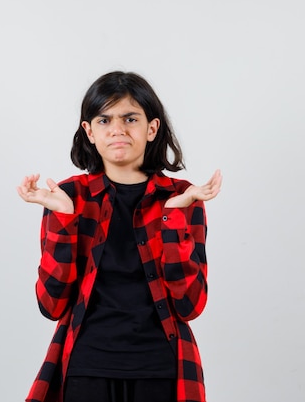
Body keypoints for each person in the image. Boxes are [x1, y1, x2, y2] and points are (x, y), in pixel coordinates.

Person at [17, 71, 221, 402]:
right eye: (104, 119)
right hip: (86, 368)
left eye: (130, 118)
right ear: (89, 131)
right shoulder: (69, 197)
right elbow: (51, 304)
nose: (117, 130)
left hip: (162, 369)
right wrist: (64, 219)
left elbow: (191, 304)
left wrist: (172, 216)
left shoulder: (183, 197)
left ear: (151, 128)